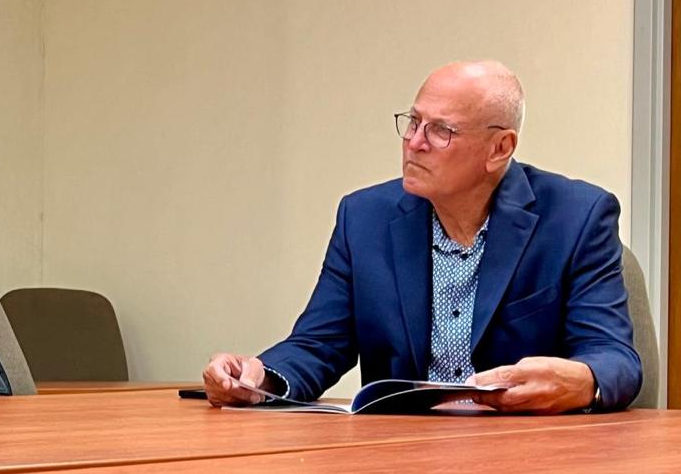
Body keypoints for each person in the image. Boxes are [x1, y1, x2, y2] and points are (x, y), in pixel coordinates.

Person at [203, 60, 641, 413]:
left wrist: (584, 381)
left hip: (527, 453)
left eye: (441, 130)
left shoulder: (576, 217)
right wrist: (258, 378)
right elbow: (319, 344)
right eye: (413, 122)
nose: (414, 142)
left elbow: (613, 356)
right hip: (401, 452)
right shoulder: (364, 218)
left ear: (500, 148)